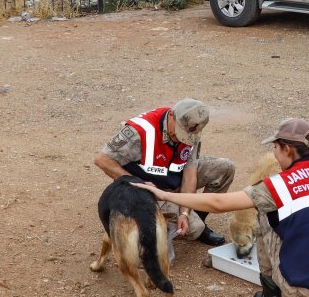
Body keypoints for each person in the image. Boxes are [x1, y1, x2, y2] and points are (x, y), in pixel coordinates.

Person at [132, 118, 309, 297]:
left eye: (275, 148)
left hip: (303, 290)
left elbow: (217, 204)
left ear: (286, 149)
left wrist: (164, 195)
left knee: (265, 215)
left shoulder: (277, 186)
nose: (274, 154)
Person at [93, 98, 234, 257]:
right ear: (171, 115)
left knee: (225, 168)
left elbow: (189, 175)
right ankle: (167, 226)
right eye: (180, 132)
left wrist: (184, 213)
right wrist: (137, 183)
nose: (182, 139)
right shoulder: (140, 131)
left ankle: (190, 219)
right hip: (150, 190)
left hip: (174, 179)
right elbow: (102, 159)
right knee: (181, 241)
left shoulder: (191, 131)